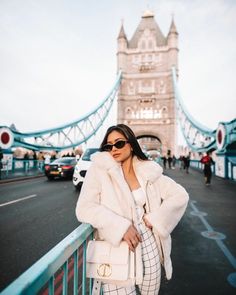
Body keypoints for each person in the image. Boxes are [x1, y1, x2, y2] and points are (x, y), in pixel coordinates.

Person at [75, 124, 189, 295]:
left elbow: (180, 195)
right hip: (116, 248)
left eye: (119, 143)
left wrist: (156, 218)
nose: (113, 149)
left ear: (131, 144)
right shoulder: (99, 170)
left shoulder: (147, 171)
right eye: (108, 146)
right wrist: (120, 227)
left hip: (149, 246)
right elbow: (84, 208)